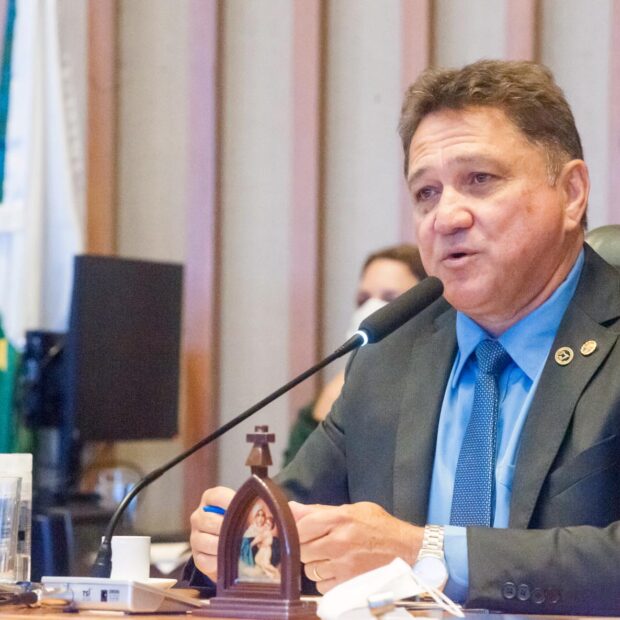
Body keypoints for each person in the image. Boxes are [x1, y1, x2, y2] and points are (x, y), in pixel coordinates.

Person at [188, 59, 620, 615]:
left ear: (572, 192)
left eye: (480, 180)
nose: (446, 217)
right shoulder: (388, 356)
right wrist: (237, 540)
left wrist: (425, 552)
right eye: (426, 193)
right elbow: (289, 522)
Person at [283, 244, 427, 465]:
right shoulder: (335, 395)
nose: (371, 309)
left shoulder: (440, 393)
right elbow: (293, 479)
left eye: (390, 299)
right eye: (363, 299)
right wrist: (326, 414)